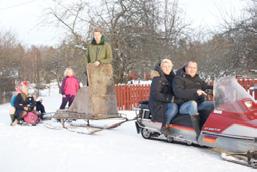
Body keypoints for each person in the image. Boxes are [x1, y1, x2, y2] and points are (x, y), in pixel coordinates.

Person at [173, 61, 214, 139]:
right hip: (183, 106)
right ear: (186, 68)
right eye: (190, 67)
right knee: (192, 104)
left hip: (198, 104)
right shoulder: (179, 78)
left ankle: (213, 130)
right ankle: (198, 134)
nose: (192, 69)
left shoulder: (197, 78)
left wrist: (216, 88)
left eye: (194, 68)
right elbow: (179, 92)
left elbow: (205, 86)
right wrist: (195, 92)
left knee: (213, 104)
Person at [148, 58, 178, 136]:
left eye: (169, 66)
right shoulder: (157, 78)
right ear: (161, 67)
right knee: (173, 107)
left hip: (166, 102)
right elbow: (155, 94)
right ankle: (164, 126)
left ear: (171, 67)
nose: (167, 68)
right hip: (158, 104)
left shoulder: (173, 77)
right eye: (164, 66)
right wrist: (170, 98)